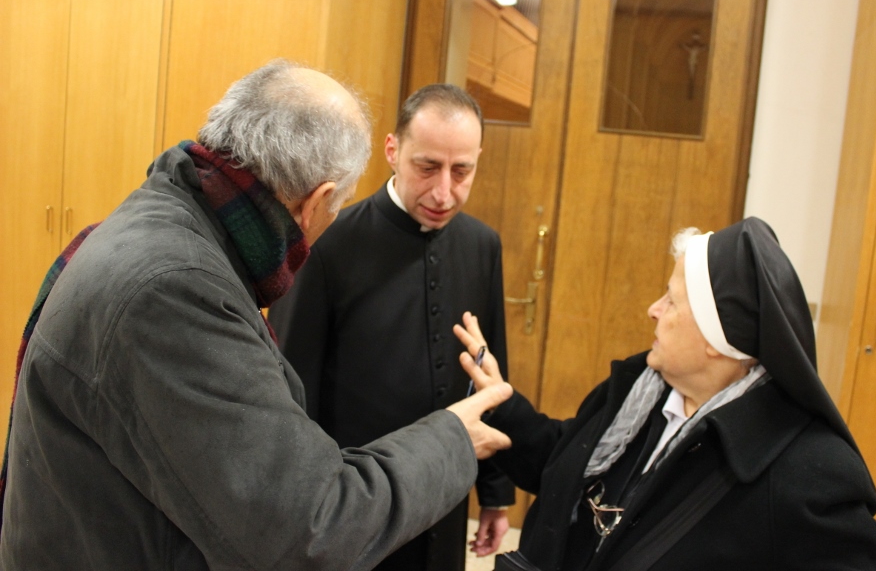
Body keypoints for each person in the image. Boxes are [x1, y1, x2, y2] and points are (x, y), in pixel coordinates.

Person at [0, 60, 514, 570]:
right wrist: (455, 439)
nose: (443, 190)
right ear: (318, 201)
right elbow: (307, 530)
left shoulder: (163, 220)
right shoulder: (176, 290)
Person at [455, 217, 876, 570]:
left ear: (716, 338)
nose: (653, 310)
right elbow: (568, 465)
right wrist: (502, 406)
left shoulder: (804, 470)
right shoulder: (638, 390)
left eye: (671, 300)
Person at [267, 83, 515, 570]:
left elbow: (489, 374)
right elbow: (291, 389)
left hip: (446, 498)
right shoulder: (326, 244)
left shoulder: (482, 244)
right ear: (392, 151)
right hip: (355, 505)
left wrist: (495, 491)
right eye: (427, 167)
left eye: (461, 171)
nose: (444, 192)